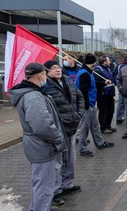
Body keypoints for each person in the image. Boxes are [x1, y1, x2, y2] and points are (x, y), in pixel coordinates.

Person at [9, 62, 66, 211]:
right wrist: (58, 137)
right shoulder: (33, 97)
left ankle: (40, 207)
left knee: (41, 182)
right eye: (45, 74)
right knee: (44, 185)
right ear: (40, 75)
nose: (46, 77)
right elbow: (42, 126)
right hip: (42, 146)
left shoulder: (33, 93)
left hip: (39, 145)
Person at [43, 60, 84, 205]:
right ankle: (56, 190)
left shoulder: (67, 81)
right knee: (57, 161)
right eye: (53, 68)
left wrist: (79, 114)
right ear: (47, 71)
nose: (57, 70)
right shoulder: (45, 86)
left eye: (58, 67)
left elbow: (79, 96)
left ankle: (67, 184)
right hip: (58, 129)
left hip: (72, 126)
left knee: (70, 159)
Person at [76, 54, 115, 157]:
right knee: (85, 127)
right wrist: (87, 105)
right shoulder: (84, 74)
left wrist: (103, 83)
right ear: (93, 62)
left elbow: (93, 85)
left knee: (95, 125)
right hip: (87, 105)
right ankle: (83, 149)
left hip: (91, 104)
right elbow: (83, 91)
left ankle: (100, 142)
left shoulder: (88, 72)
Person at [93, 56, 116, 134]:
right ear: (104, 62)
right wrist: (103, 83)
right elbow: (95, 83)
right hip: (102, 95)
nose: (110, 62)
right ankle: (103, 128)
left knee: (111, 111)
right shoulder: (97, 70)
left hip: (110, 94)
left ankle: (108, 125)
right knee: (103, 112)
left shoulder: (108, 69)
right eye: (108, 61)